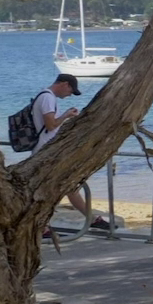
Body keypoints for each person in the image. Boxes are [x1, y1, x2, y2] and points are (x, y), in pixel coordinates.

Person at [35, 73, 104, 233]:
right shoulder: (48, 98)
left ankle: (92, 219)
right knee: (55, 189)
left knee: (69, 186)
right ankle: (42, 227)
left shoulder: (46, 97)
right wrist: (66, 115)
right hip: (46, 151)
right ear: (65, 84)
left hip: (48, 150)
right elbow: (51, 125)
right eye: (70, 91)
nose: (69, 95)